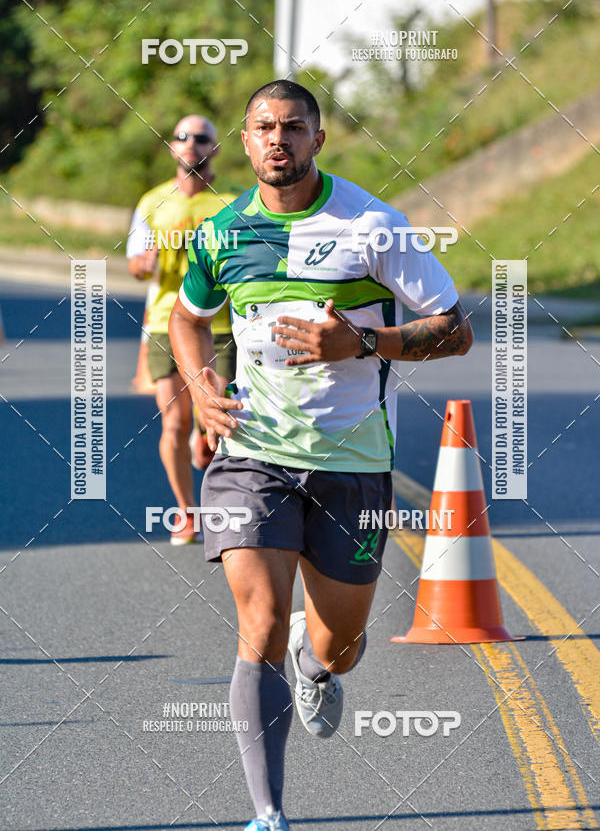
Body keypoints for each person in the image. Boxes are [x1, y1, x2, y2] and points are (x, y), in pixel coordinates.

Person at [169, 80, 473, 829]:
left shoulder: (375, 226)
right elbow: (188, 316)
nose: (279, 139)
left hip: (352, 459)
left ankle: (316, 661)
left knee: (341, 643)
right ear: (244, 142)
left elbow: (456, 328)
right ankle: (268, 812)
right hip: (253, 453)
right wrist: (202, 385)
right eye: (264, 128)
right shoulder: (222, 234)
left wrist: (366, 340)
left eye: (294, 128)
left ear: (318, 140)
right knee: (262, 620)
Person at [127, 114, 236, 545]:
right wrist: (144, 264)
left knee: (216, 424)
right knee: (173, 423)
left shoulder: (232, 204)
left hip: (219, 326)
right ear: (172, 147)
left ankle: (205, 449)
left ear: (215, 149)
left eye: (202, 138)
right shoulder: (152, 201)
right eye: (183, 137)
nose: (191, 143)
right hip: (163, 323)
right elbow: (136, 264)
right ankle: (187, 512)